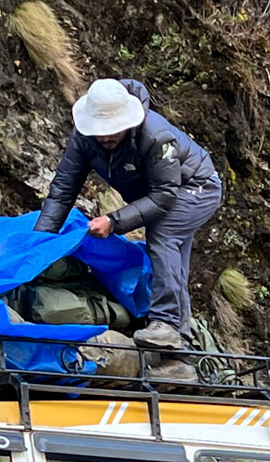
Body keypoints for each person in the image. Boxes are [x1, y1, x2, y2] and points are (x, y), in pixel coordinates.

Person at [34, 79, 223, 356]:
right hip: (158, 194)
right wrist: (38, 244)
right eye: (100, 131)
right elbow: (63, 190)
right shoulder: (83, 138)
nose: (106, 137)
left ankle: (166, 324)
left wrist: (114, 221)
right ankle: (181, 342)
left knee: (163, 236)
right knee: (173, 263)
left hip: (196, 187)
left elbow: (164, 196)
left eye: (113, 130)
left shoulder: (156, 136)